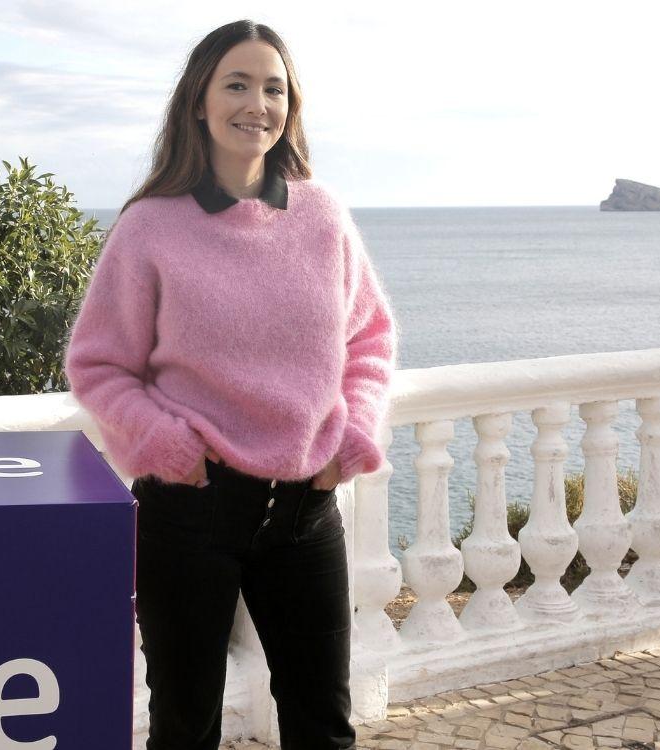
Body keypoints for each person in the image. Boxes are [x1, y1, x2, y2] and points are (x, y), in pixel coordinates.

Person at [63, 19, 397, 750]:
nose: (257, 103)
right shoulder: (150, 228)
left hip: (306, 514)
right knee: (184, 730)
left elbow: (369, 339)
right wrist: (167, 443)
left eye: (273, 87)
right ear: (199, 104)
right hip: (191, 511)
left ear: (291, 106)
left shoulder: (323, 217)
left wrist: (355, 433)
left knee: (324, 727)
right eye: (237, 84)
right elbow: (97, 364)